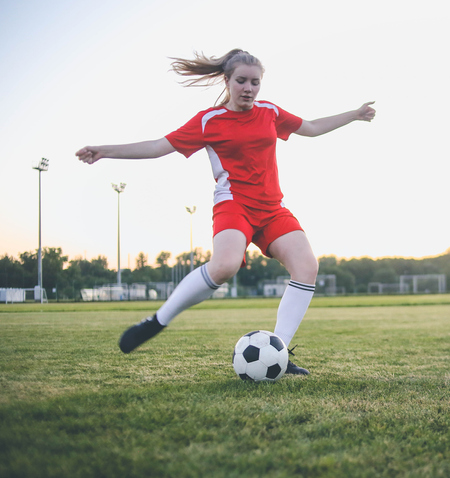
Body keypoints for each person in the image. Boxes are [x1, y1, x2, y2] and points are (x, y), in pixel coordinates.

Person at [76, 49, 375, 375]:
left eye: (255, 82)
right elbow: (157, 147)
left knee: (307, 267)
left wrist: (355, 114)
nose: (248, 88)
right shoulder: (208, 120)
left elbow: (313, 127)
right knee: (225, 266)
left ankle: (281, 352)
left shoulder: (269, 112)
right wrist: (104, 151)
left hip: (273, 208)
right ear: (228, 81)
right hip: (234, 205)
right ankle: (156, 321)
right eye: (242, 81)